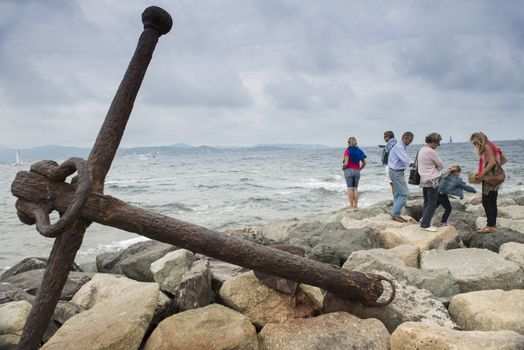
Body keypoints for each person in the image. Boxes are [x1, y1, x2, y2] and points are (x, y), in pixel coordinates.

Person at [470, 132, 507, 233]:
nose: (475, 145)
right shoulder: (493, 146)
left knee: (486, 201)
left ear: (480, 140)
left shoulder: (486, 146)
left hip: (489, 179)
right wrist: (496, 170)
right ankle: (492, 225)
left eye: (475, 143)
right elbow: (503, 160)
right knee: (492, 200)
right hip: (497, 178)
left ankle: (490, 225)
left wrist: (483, 173)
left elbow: (492, 162)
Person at [417, 133, 444, 232]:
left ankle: (423, 219)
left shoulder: (422, 150)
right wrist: (437, 166)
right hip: (432, 179)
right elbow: (441, 165)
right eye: (438, 143)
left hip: (423, 179)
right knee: (432, 203)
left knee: (427, 201)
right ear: (433, 142)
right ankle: (425, 225)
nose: (438, 145)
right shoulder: (431, 151)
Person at [388, 131, 415, 222]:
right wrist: (414, 164)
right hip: (396, 173)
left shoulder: (401, 146)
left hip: (395, 172)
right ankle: (395, 213)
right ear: (405, 138)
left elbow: (404, 159)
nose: (411, 142)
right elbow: (405, 159)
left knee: (397, 194)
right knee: (404, 194)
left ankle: (394, 213)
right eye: (410, 140)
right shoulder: (399, 146)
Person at [342, 136, 367, 210]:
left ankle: (351, 206)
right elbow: (364, 163)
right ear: (356, 142)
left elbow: (346, 163)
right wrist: (359, 169)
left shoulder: (347, 151)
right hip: (357, 171)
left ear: (348, 143)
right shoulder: (359, 151)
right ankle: (356, 206)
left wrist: (343, 167)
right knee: (355, 189)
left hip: (348, 170)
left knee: (350, 188)